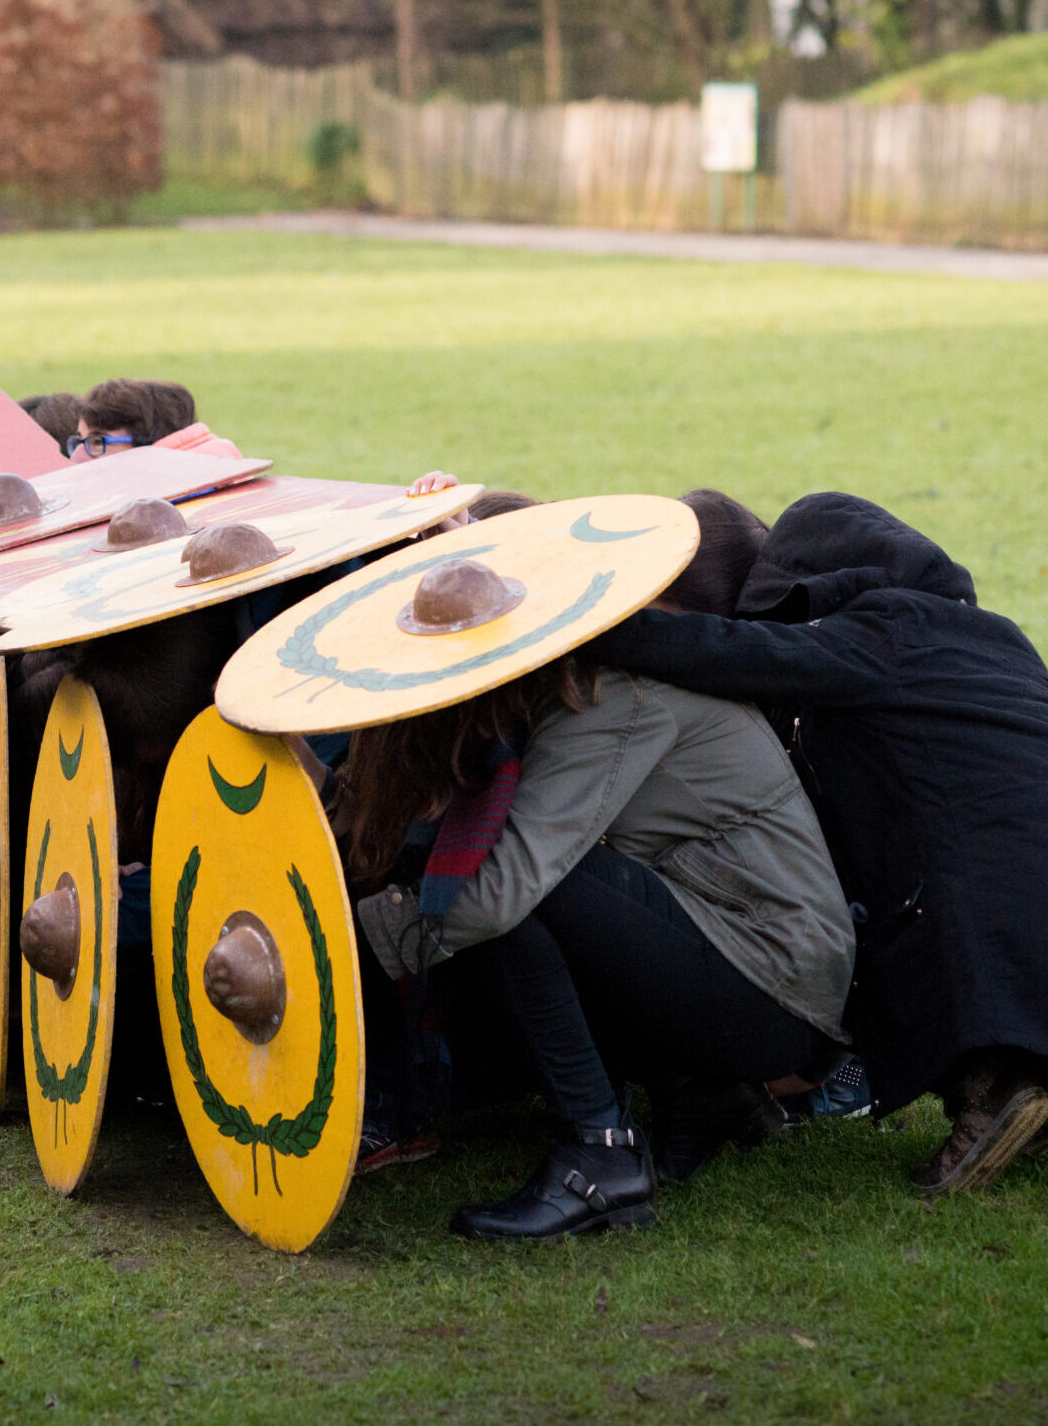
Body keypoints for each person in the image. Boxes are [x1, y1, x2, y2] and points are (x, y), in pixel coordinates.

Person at [346, 516, 855, 1241]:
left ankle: (599, 1152)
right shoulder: (577, 685)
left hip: (775, 985)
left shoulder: (612, 700)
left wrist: (352, 942)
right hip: (756, 959)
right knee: (519, 883)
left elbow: (498, 896)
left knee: (511, 892)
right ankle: (704, 1094)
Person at [587, 492, 1048, 1193]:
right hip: (1019, 834)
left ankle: (990, 1097)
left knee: (941, 932)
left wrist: (601, 631)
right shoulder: (992, 632)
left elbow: (743, 654)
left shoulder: (889, 628)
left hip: (991, 865)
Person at [67, 378, 242, 462]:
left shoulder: (174, 498)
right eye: (79, 442)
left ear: (145, 442)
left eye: (97, 441)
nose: (77, 458)